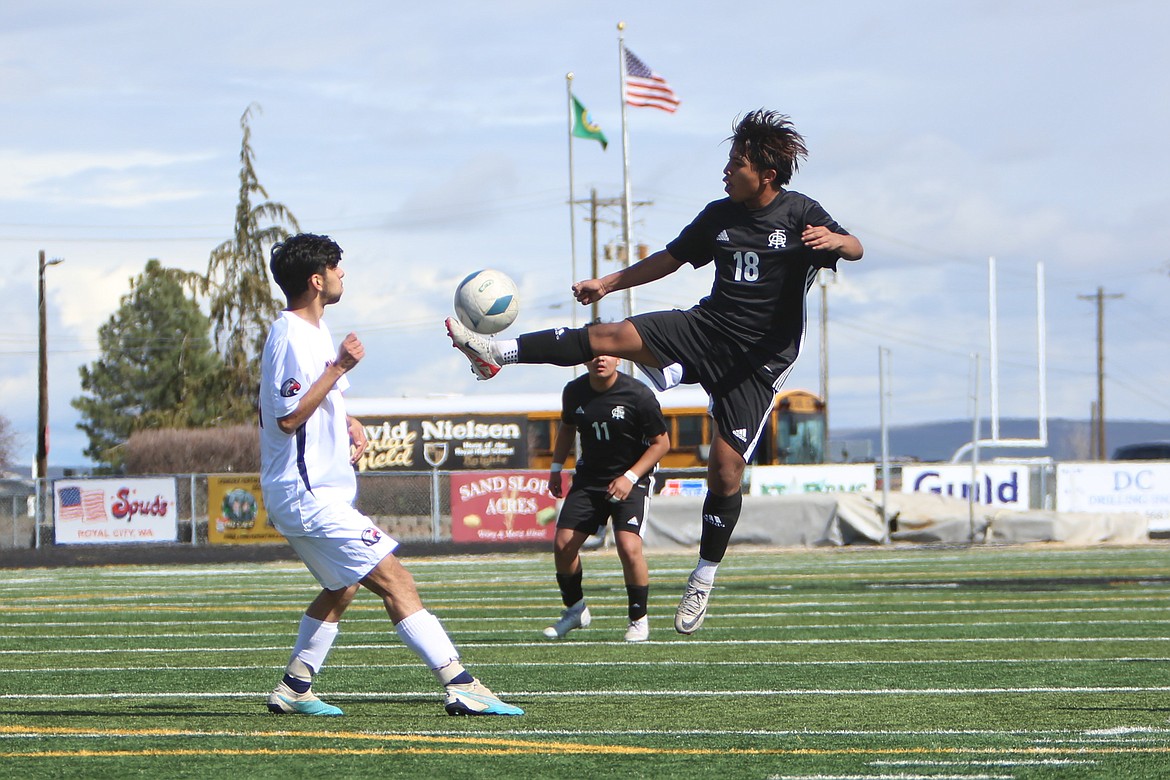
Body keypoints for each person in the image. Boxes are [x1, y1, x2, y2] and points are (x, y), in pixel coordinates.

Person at [446, 110, 863, 635]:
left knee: (725, 472)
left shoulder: (800, 213)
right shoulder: (719, 215)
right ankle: (494, 353)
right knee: (608, 335)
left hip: (756, 364)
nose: (726, 172)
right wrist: (607, 283)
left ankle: (704, 575)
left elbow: (856, 246)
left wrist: (836, 242)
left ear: (766, 174)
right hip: (706, 328)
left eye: (736, 164)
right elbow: (669, 259)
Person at [260, 233, 522, 717]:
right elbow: (288, 417)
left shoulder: (313, 331)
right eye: (337, 268)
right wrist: (338, 368)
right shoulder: (290, 335)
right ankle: (461, 683)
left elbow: (317, 404)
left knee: (343, 586)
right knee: (397, 579)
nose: (343, 275)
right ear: (317, 280)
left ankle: (295, 686)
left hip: (313, 492)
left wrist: (347, 421)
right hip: (308, 494)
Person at [543, 354, 671, 643]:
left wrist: (630, 477)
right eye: (593, 353)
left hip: (632, 478)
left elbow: (662, 443)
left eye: (607, 353)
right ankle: (575, 610)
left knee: (628, 546)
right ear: (585, 359)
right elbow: (567, 427)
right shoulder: (574, 391)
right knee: (563, 545)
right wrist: (555, 468)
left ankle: (638, 619)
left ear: (618, 358)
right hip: (590, 479)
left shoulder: (638, 394)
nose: (600, 358)